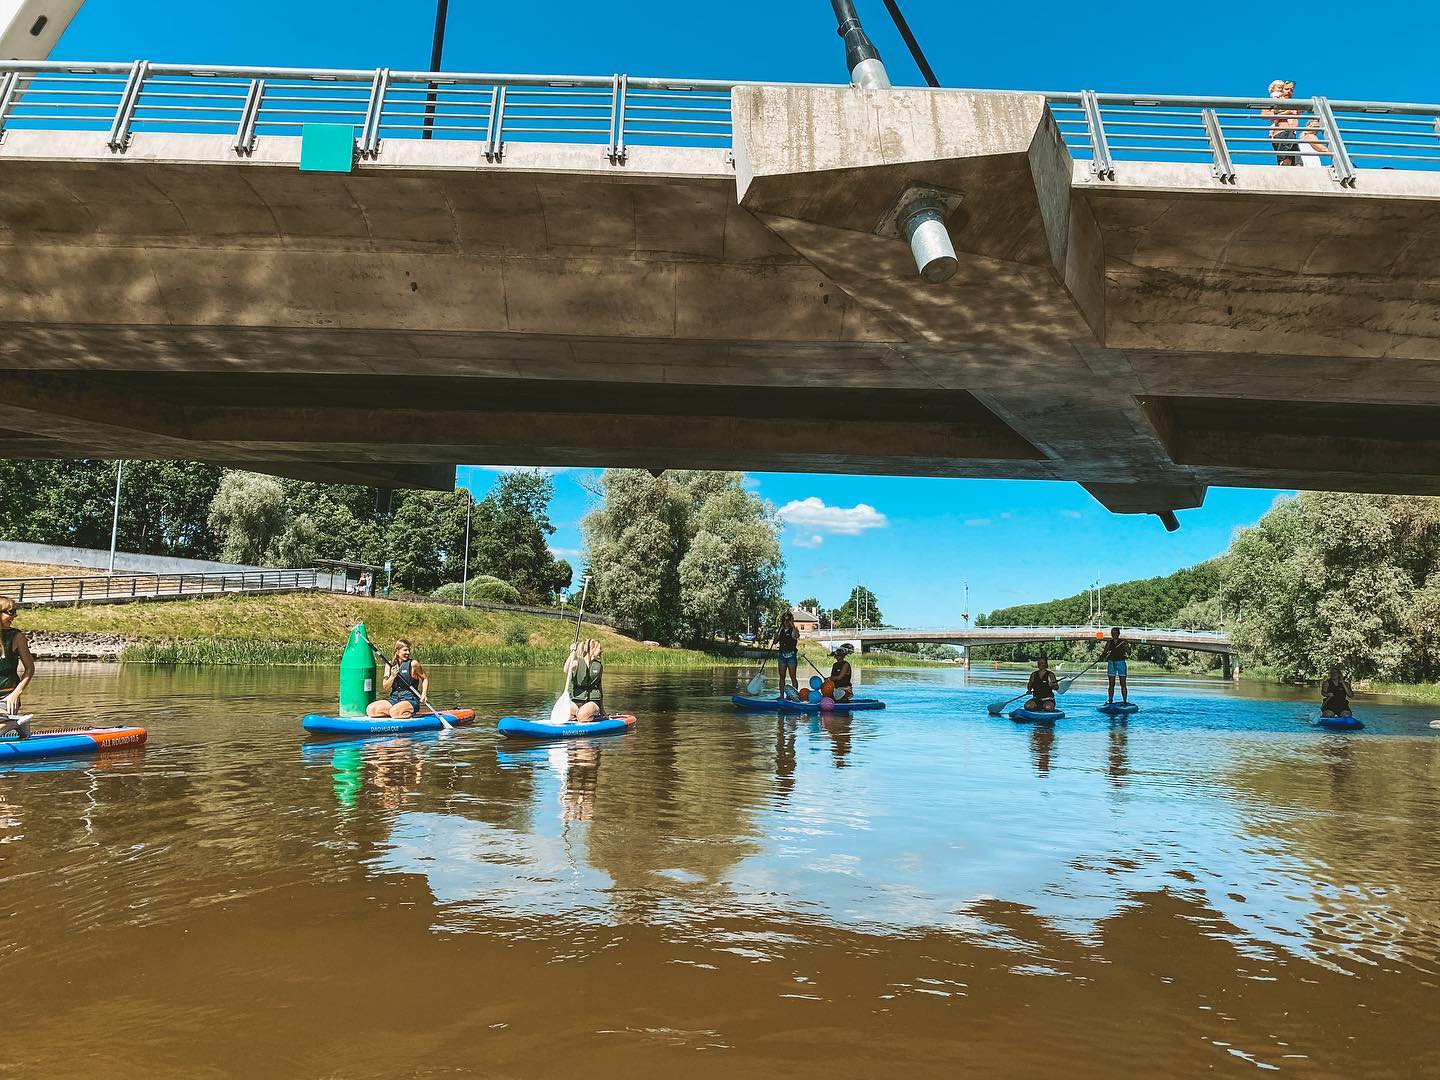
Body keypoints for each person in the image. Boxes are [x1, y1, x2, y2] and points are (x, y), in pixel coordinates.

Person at [365, 639, 429, 718]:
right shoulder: (389, 665)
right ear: (397, 651)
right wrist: (392, 676)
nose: (408, 653)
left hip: (410, 699)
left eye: (409, 650)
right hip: (394, 699)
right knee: (371, 710)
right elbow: (385, 687)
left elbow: (425, 679)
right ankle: (395, 713)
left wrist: (424, 694)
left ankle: (407, 714)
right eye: (405, 650)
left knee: (394, 711)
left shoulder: (413, 664)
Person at [0, 597, 35, 740]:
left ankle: (15, 722)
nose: (14, 616)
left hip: (7, 697)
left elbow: (30, 669)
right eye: (11, 612)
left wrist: (15, 694)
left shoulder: (16, 636)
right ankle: (19, 723)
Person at [565, 637, 604, 723]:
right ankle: (579, 716)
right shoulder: (577, 663)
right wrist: (572, 653)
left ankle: (589, 716)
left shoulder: (599, 666)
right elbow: (566, 669)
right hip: (577, 702)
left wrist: (602, 710)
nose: (601, 650)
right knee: (563, 711)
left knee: (582, 716)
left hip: (592, 702)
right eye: (599, 648)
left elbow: (600, 689)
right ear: (592, 649)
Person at [1264, 79, 1300, 166]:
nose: (1289, 91)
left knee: (1297, 164)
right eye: (1287, 89)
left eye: (1291, 90)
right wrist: (1286, 113)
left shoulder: (1293, 103)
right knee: (1285, 161)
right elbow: (1265, 114)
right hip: (1282, 133)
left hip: (1292, 134)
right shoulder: (1274, 101)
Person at [772, 611, 800, 700]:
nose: (786, 622)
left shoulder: (794, 630)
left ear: (791, 620)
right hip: (782, 656)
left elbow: (797, 635)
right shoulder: (781, 630)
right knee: (782, 677)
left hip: (791, 656)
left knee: (793, 677)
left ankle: (795, 696)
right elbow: (775, 642)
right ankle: (781, 696)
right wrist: (775, 636)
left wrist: (792, 625)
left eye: (788, 620)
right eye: (784, 620)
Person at [1102, 627, 1131, 704]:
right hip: (1111, 663)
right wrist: (1102, 656)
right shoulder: (1109, 642)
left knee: (1123, 683)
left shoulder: (1123, 642)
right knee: (1111, 684)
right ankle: (1110, 700)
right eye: (1112, 633)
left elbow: (1129, 652)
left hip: (1121, 663)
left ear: (1118, 634)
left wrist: (1126, 646)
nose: (1114, 634)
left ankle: (1124, 701)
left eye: (1115, 633)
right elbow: (1104, 652)